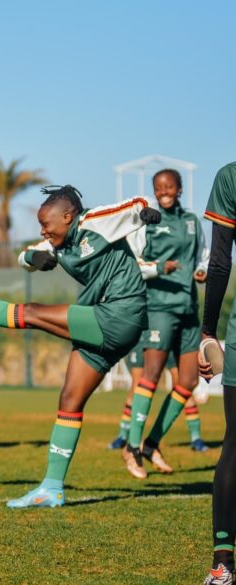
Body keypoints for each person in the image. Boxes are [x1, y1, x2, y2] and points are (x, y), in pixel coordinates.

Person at [0, 185, 161, 507]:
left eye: (46, 223)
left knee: (32, 313)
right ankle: (52, 488)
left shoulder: (95, 222)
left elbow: (135, 204)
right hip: (105, 321)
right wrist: (34, 258)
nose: (42, 230)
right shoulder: (56, 242)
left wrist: (146, 212)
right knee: (69, 400)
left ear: (68, 216)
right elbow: (25, 257)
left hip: (121, 313)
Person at [123, 169, 208, 478]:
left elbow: (202, 257)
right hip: (159, 308)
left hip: (188, 309)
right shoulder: (147, 223)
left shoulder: (192, 222)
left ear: (180, 188)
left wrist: (202, 271)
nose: (165, 191)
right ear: (154, 192)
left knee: (188, 381)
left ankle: (151, 443)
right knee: (152, 375)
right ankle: (131, 447)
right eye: (159, 188)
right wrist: (158, 267)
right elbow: (132, 265)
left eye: (170, 186)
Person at [199, 161, 236, 585]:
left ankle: (223, 564)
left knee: (235, 444)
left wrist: (208, 330)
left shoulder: (230, 176)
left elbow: (220, 263)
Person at [109, 342, 208, 452]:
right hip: (144, 337)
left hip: (170, 336)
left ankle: (196, 438)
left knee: (182, 386)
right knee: (136, 386)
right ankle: (124, 437)